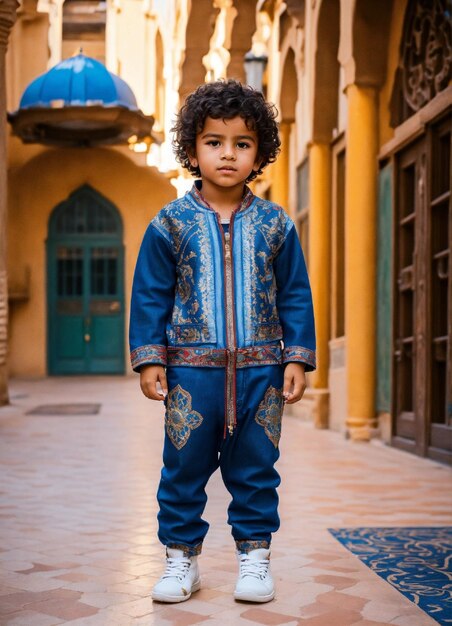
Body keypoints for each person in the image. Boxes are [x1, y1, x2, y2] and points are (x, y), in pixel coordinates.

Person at [129, 79, 316, 604]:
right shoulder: (170, 223)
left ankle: (255, 561)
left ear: (260, 152)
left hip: (262, 373)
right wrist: (150, 360)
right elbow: (150, 294)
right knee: (182, 468)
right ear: (193, 148)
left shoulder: (277, 224)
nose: (228, 154)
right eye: (214, 142)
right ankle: (179, 560)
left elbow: (295, 294)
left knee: (256, 468)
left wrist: (296, 357)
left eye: (242, 143)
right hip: (192, 375)